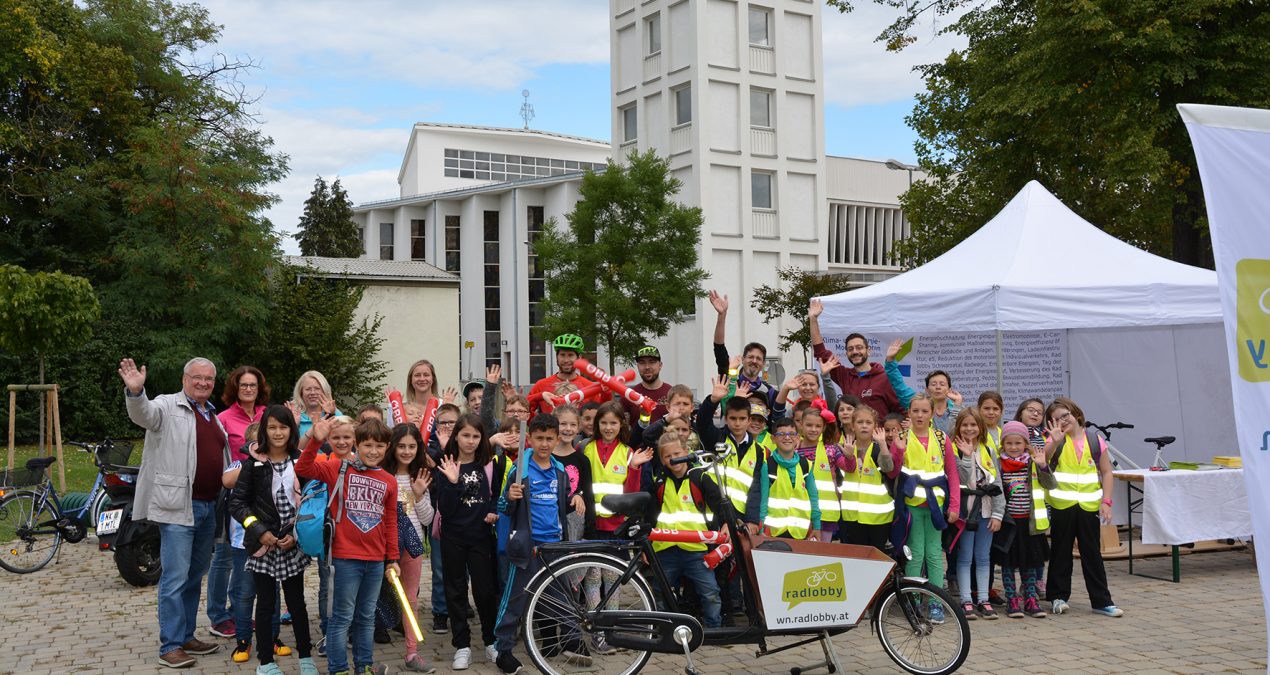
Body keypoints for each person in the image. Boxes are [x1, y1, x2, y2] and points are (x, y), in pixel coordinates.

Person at [119, 357, 230, 668]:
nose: (204, 383)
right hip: (179, 507)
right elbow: (144, 415)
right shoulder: (167, 406)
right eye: (197, 377)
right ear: (185, 379)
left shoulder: (211, 414)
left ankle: (186, 636)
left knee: (195, 575)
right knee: (176, 577)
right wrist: (136, 393)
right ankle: (169, 645)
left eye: (209, 379)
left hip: (209, 506)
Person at [298, 416, 399, 675]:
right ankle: (338, 668)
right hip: (344, 559)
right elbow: (303, 468)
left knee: (366, 618)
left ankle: (364, 666)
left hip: (376, 560)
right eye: (367, 445)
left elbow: (390, 521)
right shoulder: (338, 468)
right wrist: (316, 439)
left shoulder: (389, 480)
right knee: (341, 618)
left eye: (379, 446)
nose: (373, 451)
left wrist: (393, 558)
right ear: (357, 444)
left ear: (387, 448)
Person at [494, 414, 590, 673]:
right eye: (539, 439)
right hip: (527, 545)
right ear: (530, 440)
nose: (545, 444)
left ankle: (572, 640)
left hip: (555, 545)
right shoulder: (520, 469)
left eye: (549, 438)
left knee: (562, 596)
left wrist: (576, 498)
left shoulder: (559, 470)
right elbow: (503, 506)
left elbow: (563, 502)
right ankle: (502, 649)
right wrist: (510, 497)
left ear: (557, 439)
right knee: (515, 598)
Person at [228, 405, 317, 675]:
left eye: (284, 427)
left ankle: (305, 657)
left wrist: (295, 534)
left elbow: (312, 502)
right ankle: (266, 662)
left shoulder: (300, 461)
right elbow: (238, 504)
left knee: (297, 604)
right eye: (272, 427)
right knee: (265, 605)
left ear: (292, 430)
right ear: (264, 430)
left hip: (292, 545)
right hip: (262, 547)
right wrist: (258, 530)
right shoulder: (253, 464)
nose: (278, 433)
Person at [433, 414, 503, 670]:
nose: (470, 441)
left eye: (475, 436)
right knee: (455, 591)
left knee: (485, 592)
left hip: (481, 538)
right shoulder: (445, 465)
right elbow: (447, 509)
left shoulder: (489, 464)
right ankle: (461, 645)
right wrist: (452, 482)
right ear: (456, 437)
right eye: (465, 435)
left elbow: (495, 495)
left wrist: (494, 510)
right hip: (453, 538)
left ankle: (490, 641)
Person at [1043, 397, 1123, 618]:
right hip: (1062, 505)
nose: (1062, 421)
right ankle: (1057, 597)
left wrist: (1106, 502)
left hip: (1088, 506)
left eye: (1065, 415)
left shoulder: (1094, 440)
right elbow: (1043, 461)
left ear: (1076, 413)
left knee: (1092, 553)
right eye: (1056, 419)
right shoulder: (1052, 439)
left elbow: (1106, 472)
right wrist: (1054, 441)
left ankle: (1102, 601)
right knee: (1061, 552)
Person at [582, 402, 653, 650]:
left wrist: (634, 467)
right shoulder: (585, 449)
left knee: (612, 579)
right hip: (591, 526)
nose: (608, 427)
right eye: (603, 423)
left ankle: (610, 630)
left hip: (617, 527)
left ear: (621, 424)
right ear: (596, 425)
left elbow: (632, 492)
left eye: (613, 423)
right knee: (592, 577)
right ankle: (595, 630)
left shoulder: (628, 453)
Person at [209, 365, 270, 641]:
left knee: (247, 558)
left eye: (253, 385)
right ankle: (219, 616)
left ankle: (241, 612)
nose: (248, 390)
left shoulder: (266, 414)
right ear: (235, 388)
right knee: (224, 558)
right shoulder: (222, 418)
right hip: (233, 489)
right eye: (244, 385)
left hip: (262, 494)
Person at [893, 393, 961, 624]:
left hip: (935, 508)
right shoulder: (902, 436)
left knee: (933, 555)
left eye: (924, 411)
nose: (920, 415)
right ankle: (912, 602)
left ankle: (935, 602)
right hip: (911, 507)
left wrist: (954, 506)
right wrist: (898, 451)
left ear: (932, 414)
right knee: (915, 555)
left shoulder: (942, 439)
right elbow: (892, 471)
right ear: (909, 413)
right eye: (915, 411)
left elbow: (952, 473)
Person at [646, 433, 725, 628]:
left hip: (696, 549)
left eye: (677, 453)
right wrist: (646, 547)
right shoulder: (659, 482)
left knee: (710, 591)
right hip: (665, 548)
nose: (674, 459)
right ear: (661, 459)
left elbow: (720, 505)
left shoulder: (701, 478)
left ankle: (713, 627)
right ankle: (662, 628)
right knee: (660, 591)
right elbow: (650, 516)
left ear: (687, 452)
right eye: (667, 456)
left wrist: (726, 524)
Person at [383, 424, 436, 673]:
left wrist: (417, 495)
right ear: (392, 447)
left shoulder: (420, 476)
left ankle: (412, 652)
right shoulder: (382, 474)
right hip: (382, 546)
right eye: (401, 446)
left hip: (412, 545)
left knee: (410, 598)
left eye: (411, 446)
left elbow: (427, 519)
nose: (406, 451)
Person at [994, 421, 1056, 619]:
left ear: (1025, 444)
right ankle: (1012, 600)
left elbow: (1050, 484)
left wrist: (1043, 465)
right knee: (1008, 564)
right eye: (1009, 443)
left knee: (1030, 562)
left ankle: (1030, 599)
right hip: (1009, 524)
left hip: (1030, 524)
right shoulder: (999, 464)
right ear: (1003, 444)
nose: (1013, 448)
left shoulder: (1033, 462)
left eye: (1018, 443)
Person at [807, 300, 904, 418]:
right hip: (851, 435)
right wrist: (813, 319)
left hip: (877, 436)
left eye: (859, 348)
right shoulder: (845, 375)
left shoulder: (884, 377)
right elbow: (820, 351)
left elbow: (899, 410)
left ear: (868, 350)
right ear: (846, 353)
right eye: (851, 349)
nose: (855, 352)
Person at [951, 407, 1003, 621]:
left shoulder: (988, 450)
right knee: (965, 558)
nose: (969, 429)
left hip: (987, 509)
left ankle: (983, 599)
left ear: (981, 428)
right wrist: (966, 455)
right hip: (966, 512)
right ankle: (966, 600)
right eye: (965, 425)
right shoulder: (953, 449)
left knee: (983, 557)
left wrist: (998, 514)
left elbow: (996, 482)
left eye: (974, 425)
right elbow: (961, 478)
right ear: (958, 427)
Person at [745, 417, 821, 541]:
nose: (787, 438)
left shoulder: (805, 465)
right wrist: (762, 528)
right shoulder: (767, 465)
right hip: (773, 532)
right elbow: (763, 499)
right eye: (781, 434)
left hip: (800, 533)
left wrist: (816, 527)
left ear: (797, 438)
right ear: (773, 439)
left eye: (791, 434)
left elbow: (813, 497)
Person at [791, 397, 849, 543]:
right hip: (800, 512)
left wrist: (850, 456)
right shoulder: (793, 451)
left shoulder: (831, 449)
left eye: (818, 426)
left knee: (823, 553)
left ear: (823, 427)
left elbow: (849, 468)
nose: (813, 429)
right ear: (801, 425)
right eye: (809, 425)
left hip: (825, 514)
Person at [839, 407, 898, 549]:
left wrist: (883, 444)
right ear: (852, 426)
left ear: (875, 427)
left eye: (868, 422)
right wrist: (848, 456)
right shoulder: (845, 448)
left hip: (879, 517)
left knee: (877, 555)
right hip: (852, 516)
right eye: (860, 422)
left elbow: (888, 468)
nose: (864, 426)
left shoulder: (878, 449)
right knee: (858, 556)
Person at [528, 334, 603, 415]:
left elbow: (601, 414)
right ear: (557, 357)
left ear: (579, 358)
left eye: (570, 355)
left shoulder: (589, 386)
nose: (566, 360)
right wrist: (541, 396)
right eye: (562, 355)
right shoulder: (541, 385)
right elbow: (524, 408)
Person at [551, 405, 594, 542]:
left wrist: (590, 531)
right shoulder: (545, 458)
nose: (568, 429)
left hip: (574, 525)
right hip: (549, 521)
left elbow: (588, 495)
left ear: (578, 428)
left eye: (573, 425)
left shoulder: (582, 460)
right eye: (563, 424)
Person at [886, 360, 963, 436]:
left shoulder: (958, 407)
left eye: (942, 384)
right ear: (927, 390)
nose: (938, 387)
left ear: (949, 390)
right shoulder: (918, 402)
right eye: (933, 384)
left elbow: (956, 432)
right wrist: (890, 360)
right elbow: (899, 386)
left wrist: (957, 405)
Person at [621, 345, 671, 424]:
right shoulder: (629, 395)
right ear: (637, 366)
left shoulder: (672, 393)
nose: (647, 367)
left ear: (660, 365)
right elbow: (623, 429)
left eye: (652, 362)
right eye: (642, 362)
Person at [291, 370, 341, 448]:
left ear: (324, 391)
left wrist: (331, 416)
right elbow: (291, 449)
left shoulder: (336, 413)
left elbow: (342, 444)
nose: (313, 392)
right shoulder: (293, 414)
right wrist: (293, 425)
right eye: (308, 389)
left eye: (317, 388)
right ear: (301, 392)